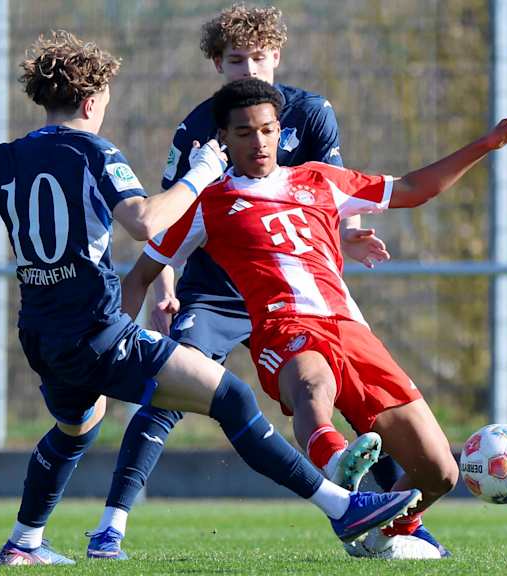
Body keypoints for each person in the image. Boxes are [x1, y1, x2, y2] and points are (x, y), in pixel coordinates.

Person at [0, 31, 421, 566]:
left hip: (41, 335)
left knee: (79, 424)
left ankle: (23, 543)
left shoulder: (7, 158)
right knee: (233, 400)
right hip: (100, 331)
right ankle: (341, 507)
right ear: (93, 101)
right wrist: (201, 175)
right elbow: (145, 223)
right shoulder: (95, 151)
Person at [123, 78, 507, 558]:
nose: (259, 142)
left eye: (267, 130)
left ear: (280, 131)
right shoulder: (207, 202)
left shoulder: (321, 179)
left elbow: (413, 188)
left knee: (441, 471)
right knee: (311, 385)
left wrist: (486, 144)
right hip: (286, 326)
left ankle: (385, 533)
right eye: (244, 133)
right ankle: (336, 462)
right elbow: (140, 275)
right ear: (225, 138)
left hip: (352, 330)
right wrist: (121, 347)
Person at [87, 2, 408, 560]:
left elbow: (333, 190)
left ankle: (401, 523)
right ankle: (111, 525)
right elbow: (169, 220)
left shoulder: (309, 113)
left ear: (278, 57)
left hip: (296, 292)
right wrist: (163, 293)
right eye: (238, 60)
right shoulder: (196, 128)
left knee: (358, 401)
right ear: (218, 65)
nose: (251, 69)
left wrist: (346, 236)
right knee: (166, 395)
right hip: (214, 291)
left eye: (260, 56)